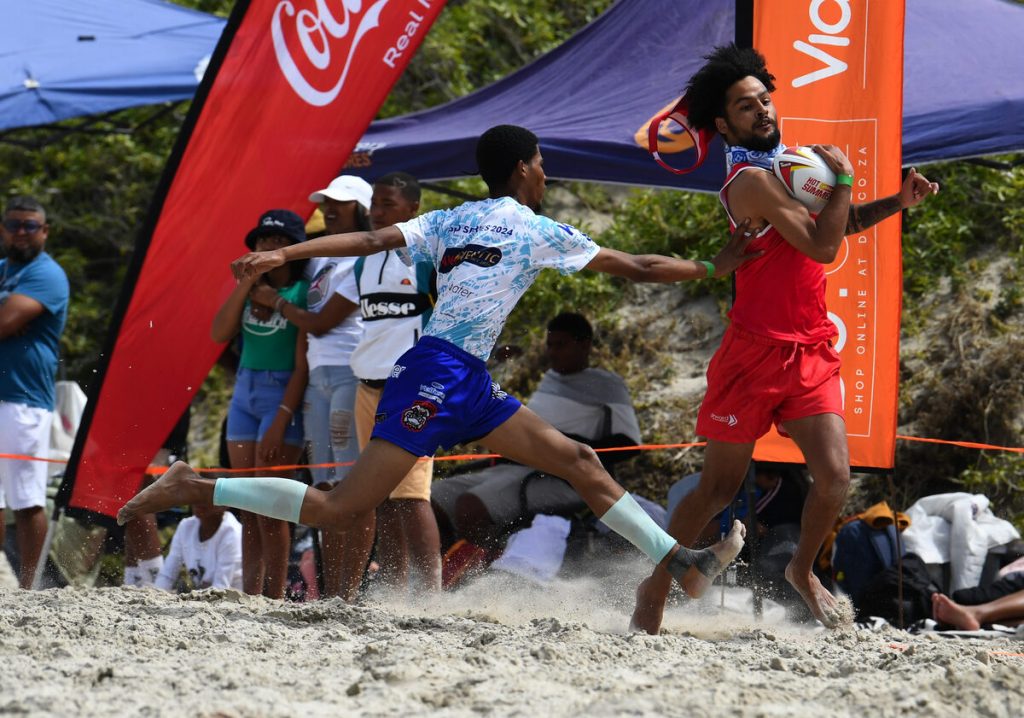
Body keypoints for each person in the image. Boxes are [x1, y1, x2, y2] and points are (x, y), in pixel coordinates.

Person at [119, 124, 761, 605]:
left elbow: (372, 239)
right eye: (541, 164)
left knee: (580, 461)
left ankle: (680, 562)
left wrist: (284, 254)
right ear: (522, 168)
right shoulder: (533, 229)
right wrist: (714, 266)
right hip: (434, 374)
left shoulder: (453, 218)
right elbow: (639, 266)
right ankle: (195, 486)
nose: (545, 175)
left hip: (467, 379)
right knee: (340, 507)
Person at [630, 45, 940, 633]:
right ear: (724, 125)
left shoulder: (786, 166)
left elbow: (839, 223)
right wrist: (844, 178)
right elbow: (823, 247)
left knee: (835, 477)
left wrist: (896, 203)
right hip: (753, 351)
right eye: (745, 107)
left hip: (809, 347)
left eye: (764, 100)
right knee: (717, 490)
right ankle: (655, 587)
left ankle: (801, 570)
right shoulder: (750, 179)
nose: (762, 111)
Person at [248, 175, 369, 600]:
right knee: (323, 487)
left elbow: (320, 322)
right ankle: (331, 589)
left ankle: (349, 591)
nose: (330, 208)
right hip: (318, 378)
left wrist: (277, 303)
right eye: (326, 202)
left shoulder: (365, 258)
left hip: (350, 372)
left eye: (341, 203)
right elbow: (305, 325)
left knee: (350, 485)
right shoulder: (318, 259)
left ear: (361, 209)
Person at [432, 311, 642, 550]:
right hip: (517, 467)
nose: (552, 352)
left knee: (471, 506)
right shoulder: (550, 378)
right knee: (433, 497)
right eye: (549, 345)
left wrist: (565, 445)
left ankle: (488, 567)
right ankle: (442, 563)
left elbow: (629, 445)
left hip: (564, 478)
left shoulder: (607, 384)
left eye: (561, 345)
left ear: (584, 345)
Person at [211, 209, 309, 599]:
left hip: (281, 394)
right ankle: (250, 595)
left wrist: (282, 417)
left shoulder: (302, 292)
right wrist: (248, 283)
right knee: (246, 501)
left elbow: (302, 365)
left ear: (295, 248)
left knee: (270, 504)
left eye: (280, 240)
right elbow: (219, 332)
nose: (269, 246)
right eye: (263, 239)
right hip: (244, 391)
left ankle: (275, 595)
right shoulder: (249, 289)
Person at [351, 171, 441, 593]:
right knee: (381, 496)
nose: (377, 211)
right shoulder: (363, 260)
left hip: (409, 390)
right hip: (367, 387)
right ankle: (394, 593)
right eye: (374, 203)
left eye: (388, 204)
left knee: (412, 496)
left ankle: (430, 594)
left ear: (413, 209)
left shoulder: (426, 257)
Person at [0, 196, 69, 589]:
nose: (21, 233)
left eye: (30, 226)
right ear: (3, 229)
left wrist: (9, 315)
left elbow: (6, 322)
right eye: (14, 225)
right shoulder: (3, 270)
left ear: (45, 231)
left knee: (26, 500)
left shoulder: (48, 274)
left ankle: (31, 587)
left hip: (24, 400)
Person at [153, 501, 243, 592]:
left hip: (232, 597)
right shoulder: (186, 527)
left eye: (206, 496)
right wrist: (157, 594)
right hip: (203, 594)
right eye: (196, 495)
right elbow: (167, 575)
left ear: (226, 503)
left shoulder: (233, 533)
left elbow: (220, 588)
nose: (199, 500)